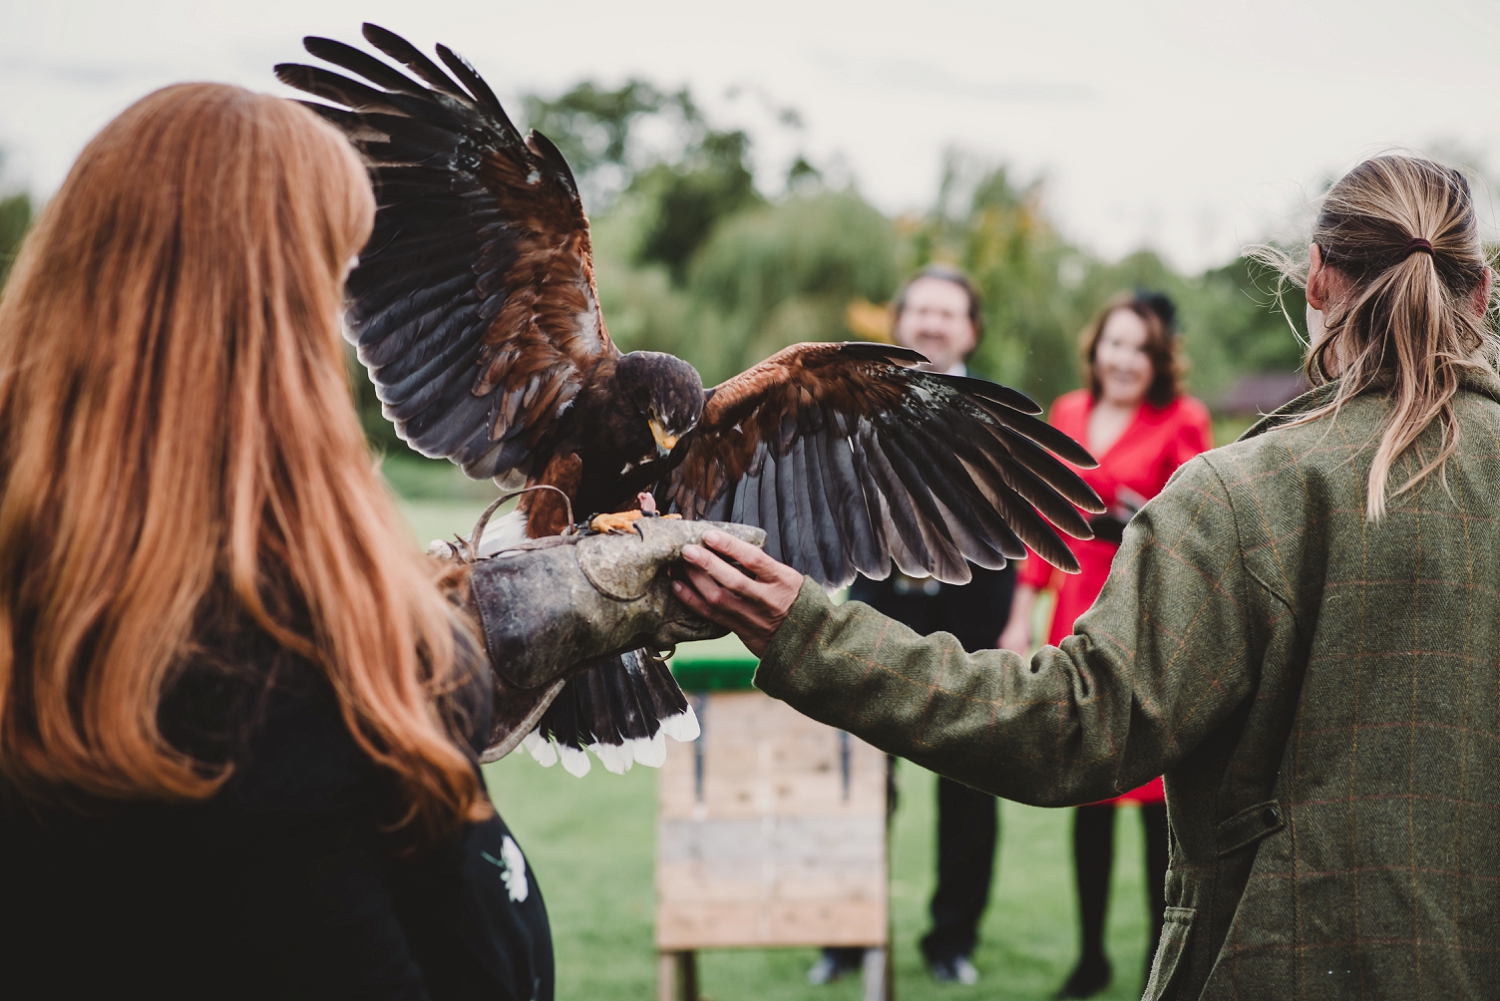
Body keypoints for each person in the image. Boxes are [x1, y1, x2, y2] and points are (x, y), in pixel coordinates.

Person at [672, 155, 1499, 1000]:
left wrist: (806, 628)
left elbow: (1073, 725)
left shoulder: (1244, 494)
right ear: (1480, 290)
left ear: (1317, 279)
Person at [0, 83, 709, 1000]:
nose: (354, 308)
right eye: (330, 272)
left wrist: (452, 625)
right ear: (262, 310)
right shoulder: (277, 686)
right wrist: (429, 670)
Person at [997, 292, 1211, 998]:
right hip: (1074, 609)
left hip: (1146, 615)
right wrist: (1019, 610)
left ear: (1157, 360)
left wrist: (1140, 521)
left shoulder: (1183, 420)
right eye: (1114, 344)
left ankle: (1159, 952)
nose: (1123, 359)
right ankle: (1090, 956)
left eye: (1139, 348)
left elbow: (1200, 515)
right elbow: (1041, 517)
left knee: (1155, 790)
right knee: (1085, 781)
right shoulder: (1065, 412)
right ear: (1096, 349)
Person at [810, 265, 1015, 987]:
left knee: (968, 785)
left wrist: (1013, 624)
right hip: (880, 605)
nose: (931, 323)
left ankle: (951, 939)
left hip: (968, 615)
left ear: (970, 329)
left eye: (946, 313)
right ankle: (841, 936)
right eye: (920, 311)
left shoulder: (998, 411)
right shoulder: (855, 406)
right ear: (898, 322)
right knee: (859, 775)